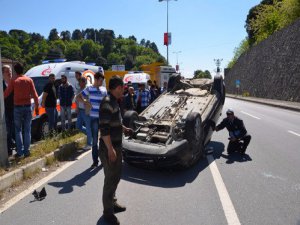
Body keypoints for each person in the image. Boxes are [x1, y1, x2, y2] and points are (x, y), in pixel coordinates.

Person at [99, 75, 132, 225]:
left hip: (116, 146)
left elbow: (114, 122)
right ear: (117, 88)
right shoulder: (107, 103)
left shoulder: (114, 102)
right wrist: (111, 150)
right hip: (109, 148)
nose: (123, 90)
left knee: (115, 177)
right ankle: (108, 213)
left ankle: (113, 203)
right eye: (122, 88)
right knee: (110, 180)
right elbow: (104, 130)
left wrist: (123, 128)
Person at [4, 62, 39, 158]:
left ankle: (19, 152)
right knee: (27, 130)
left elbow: (6, 94)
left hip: (17, 108)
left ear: (15, 71)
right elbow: (35, 96)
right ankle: (27, 151)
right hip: (28, 107)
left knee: (18, 130)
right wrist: (36, 108)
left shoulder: (14, 80)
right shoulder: (29, 80)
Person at [77, 72, 107, 168]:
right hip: (93, 118)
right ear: (95, 79)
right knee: (94, 141)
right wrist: (85, 102)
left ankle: (103, 158)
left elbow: (106, 102)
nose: (101, 83)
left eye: (102, 81)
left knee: (104, 139)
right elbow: (78, 97)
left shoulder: (104, 90)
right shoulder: (89, 89)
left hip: (103, 118)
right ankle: (95, 161)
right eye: (100, 81)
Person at [75, 77, 92, 150]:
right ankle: (90, 136)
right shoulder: (79, 90)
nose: (79, 83)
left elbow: (88, 100)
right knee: (78, 126)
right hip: (80, 110)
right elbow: (77, 100)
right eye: (79, 82)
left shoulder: (87, 89)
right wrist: (77, 107)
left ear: (84, 82)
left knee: (88, 127)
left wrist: (83, 100)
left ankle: (89, 144)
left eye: (81, 82)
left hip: (86, 110)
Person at [2, 65, 15, 156]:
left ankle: (18, 148)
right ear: (2, 73)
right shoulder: (1, 85)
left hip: (15, 109)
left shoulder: (15, 83)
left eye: (10, 70)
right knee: (8, 130)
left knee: (16, 129)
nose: (9, 72)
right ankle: (9, 150)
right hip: (5, 111)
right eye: (7, 71)